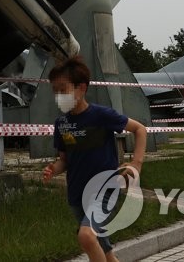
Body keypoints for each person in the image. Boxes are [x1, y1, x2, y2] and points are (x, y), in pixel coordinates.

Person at [42, 56, 147, 262]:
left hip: (105, 190)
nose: (58, 96)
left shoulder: (101, 115)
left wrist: (136, 164)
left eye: (63, 90)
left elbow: (140, 129)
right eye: (55, 91)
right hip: (77, 194)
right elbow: (64, 159)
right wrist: (53, 169)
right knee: (103, 250)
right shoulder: (61, 123)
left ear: (81, 88)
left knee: (87, 236)